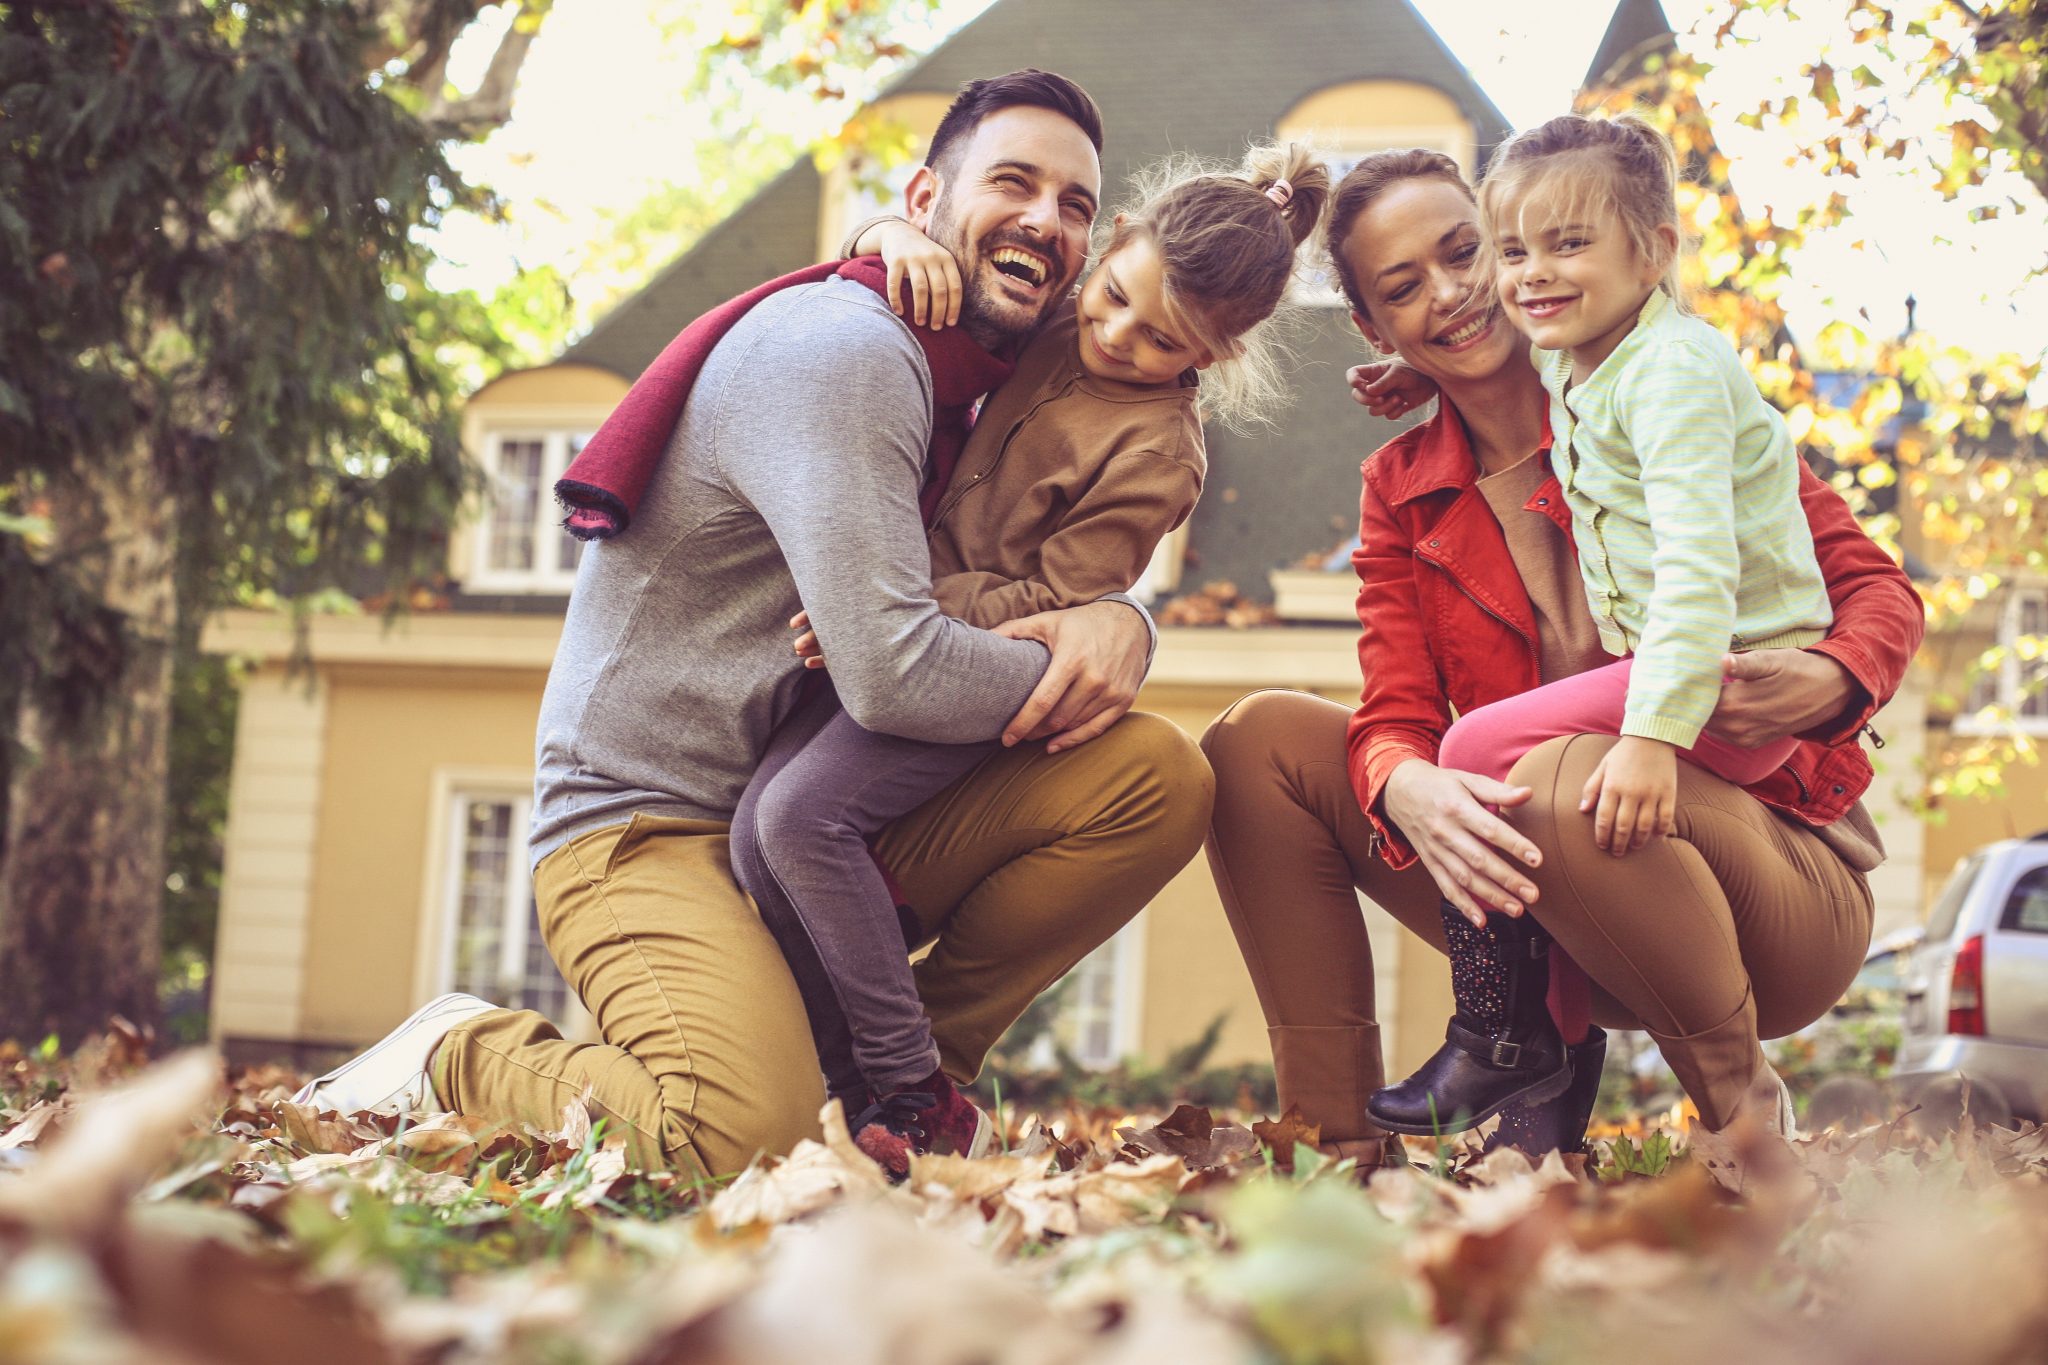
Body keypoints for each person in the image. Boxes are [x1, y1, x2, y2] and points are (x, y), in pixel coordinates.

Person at [293, 70, 1214, 1180]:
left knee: (1154, 778)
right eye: (1012, 183)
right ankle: (460, 1054)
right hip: (642, 826)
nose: (1045, 221)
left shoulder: (1009, 366)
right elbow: (890, 677)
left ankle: (901, 1078)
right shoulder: (849, 350)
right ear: (925, 199)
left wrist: (1118, 617)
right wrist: (1078, 645)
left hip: (801, 806)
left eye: (1074, 204)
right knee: (738, 1140)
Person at [1201, 145, 1922, 1168]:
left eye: (1464, 255)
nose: (1452, 295)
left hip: (1760, 879)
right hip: (1542, 914)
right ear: (1372, 329)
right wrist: (1399, 781)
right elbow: (1393, 705)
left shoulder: (1657, 392)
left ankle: (1741, 1123)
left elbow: (1876, 590)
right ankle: (1341, 1146)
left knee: (1554, 771)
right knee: (1257, 743)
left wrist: (1831, 677)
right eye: (1404, 290)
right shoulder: (1401, 485)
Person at [729, 144, 1330, 1176]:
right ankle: (853, 1097)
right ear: (1115, 246)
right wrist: (882, 233)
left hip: (974, 669)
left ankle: (914, 1086)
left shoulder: (1158, 453)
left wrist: (886, 603)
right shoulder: (1048, 314)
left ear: (1216, 355)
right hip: (880, 641)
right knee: (753, 842)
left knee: (799, 820)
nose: (1112, 335)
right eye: (1111, 296)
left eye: (1157, 342)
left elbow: (1053, 601)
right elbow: (889, 270)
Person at [1365, 112, 1839, 1138]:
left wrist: (1649, 738)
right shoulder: (1585, 363)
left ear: (1655, 250)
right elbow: (1512, 362)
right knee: (1510, 793)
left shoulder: (1669, 377)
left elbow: (1700, 572)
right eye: (1513, 251)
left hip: (1732, 687)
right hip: (1695, 687)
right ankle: (1539, 1068)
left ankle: (1502, 1032)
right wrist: (1425, 366)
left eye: (1567, 244)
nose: (1529, 275)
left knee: (1474, 748)